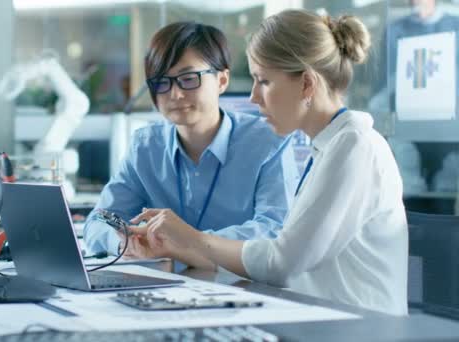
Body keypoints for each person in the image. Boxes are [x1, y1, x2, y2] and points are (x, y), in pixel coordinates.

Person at [130, 10, 408, 315]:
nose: (253, 97)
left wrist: (192, 238)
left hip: (359, 329)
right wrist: (186, 246)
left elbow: (282, 263)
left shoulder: (354, 146)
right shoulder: (330, 146)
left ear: (306, 85)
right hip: (321, 321)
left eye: (263, 81)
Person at [83, 22, 298, 259]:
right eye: (161, 82)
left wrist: (187, 245)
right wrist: (127, 242)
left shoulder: (269, 142)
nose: (175, 94)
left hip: (241, 286)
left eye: (188, 78)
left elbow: (274, 229)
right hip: (164, 288)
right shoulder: (145, 147)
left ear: (222, 80)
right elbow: (97, 222)